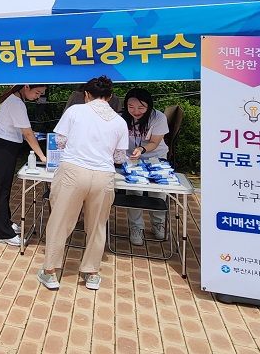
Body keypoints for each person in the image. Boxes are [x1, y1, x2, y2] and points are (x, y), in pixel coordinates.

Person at [38, 76, 128, 291]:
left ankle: (50, 272)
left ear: (86, 94)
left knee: (60, 222)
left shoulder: (75, 111)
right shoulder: (119, 121)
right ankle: (92, 273)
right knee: (97, 226)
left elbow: (59, 141)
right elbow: (119, 157)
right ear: (110, 97)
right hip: (103, 176)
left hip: (73, 172)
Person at [0, 84, 47, 247]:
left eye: (41, 94)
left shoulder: (16, 99)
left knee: (5, 188)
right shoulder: (16, 103)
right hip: (2, 148)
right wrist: (41, 156)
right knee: (0, 189)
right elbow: (27, 134)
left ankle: (6, 222)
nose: (37, 96)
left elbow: (24, 130)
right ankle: (2, 233)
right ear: (26, 86)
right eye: (37, 92)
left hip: (6, 146)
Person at [120, 88, 170, 246]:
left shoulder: (158, 117)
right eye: (131, 107)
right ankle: (136, 227)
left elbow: (155, 142)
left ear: (149, 106)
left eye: (141, 108)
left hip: (155, 156)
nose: (135, 111)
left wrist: (142, 149)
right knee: (134, 190)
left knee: (157, 191)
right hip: (131, 158)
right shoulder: (121, 118)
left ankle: (158, 224)